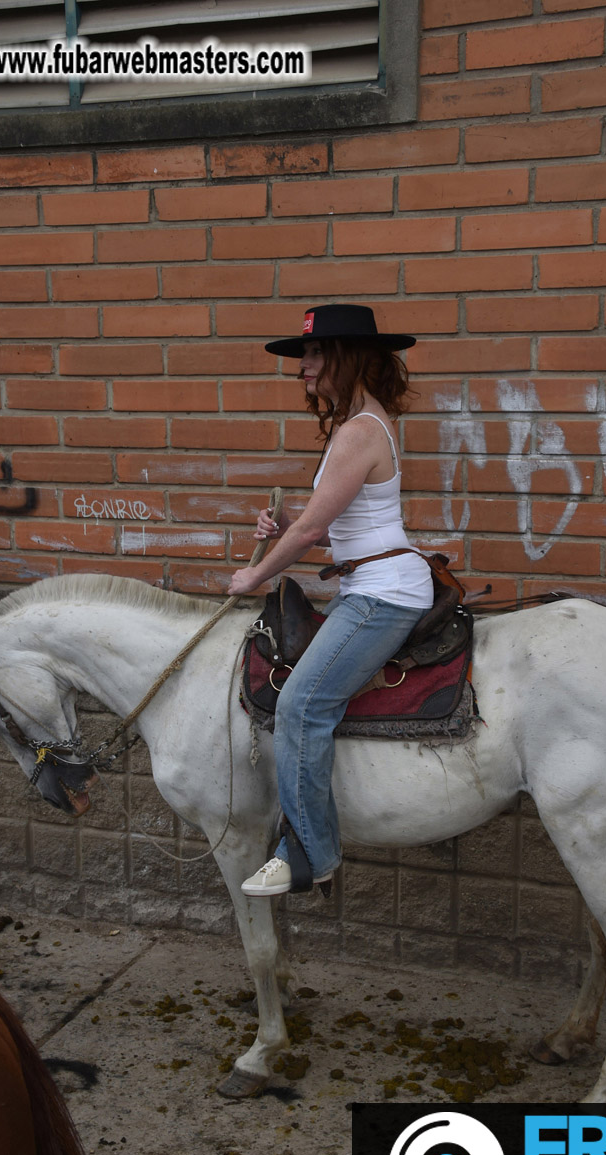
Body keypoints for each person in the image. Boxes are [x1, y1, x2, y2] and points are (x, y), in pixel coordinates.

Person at [227, 304, 433, 897]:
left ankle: (310, 856)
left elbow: (314, 535)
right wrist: (288, 521)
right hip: (374, 582)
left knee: (301, 708)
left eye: (315, 355)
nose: (303, 368)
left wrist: (256, 575)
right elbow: (331, 523)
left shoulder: (359, 431)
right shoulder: (360, 425)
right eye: (304, 356)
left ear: (349, 358)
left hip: (382, 596)